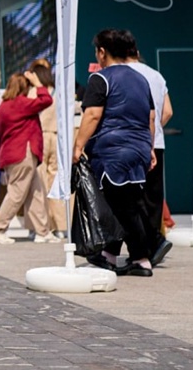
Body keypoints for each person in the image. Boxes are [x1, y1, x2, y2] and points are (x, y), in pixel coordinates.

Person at [73, 29, 164, 276]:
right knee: (123, 202)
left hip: (112, 152)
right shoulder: (140, 79)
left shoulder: (100, 79)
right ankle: (109, 255)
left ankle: (141, 258)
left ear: (102, 52)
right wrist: (150, 148)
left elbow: (92, 115)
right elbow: (151, 117)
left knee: (122, 207)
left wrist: (78, 145)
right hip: (139, 149)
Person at [0, 72, 58, 244]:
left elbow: (0, 136)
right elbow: (47, 100)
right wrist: (38, 82)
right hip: (23, 153)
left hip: (10, 154)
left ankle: (42, 231)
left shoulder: (3, 106)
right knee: (17, 194)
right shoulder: (22, 104)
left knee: (35, 191)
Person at [127, 54, 174, 248]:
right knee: (153, 198)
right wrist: (156, 129)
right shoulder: (156, 75)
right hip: (157, 143)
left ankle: (140, 247)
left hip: (131, 143)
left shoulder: (121, 75)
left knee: (131, 197)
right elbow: (168, 111)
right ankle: (155, 244)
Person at [28, 60, 66, 237]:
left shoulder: (34, 92)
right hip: (56, 136)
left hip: (40, 136)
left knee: (38, 183)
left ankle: (39, 226)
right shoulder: (59, 93)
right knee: (55, 181)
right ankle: (61, 226)